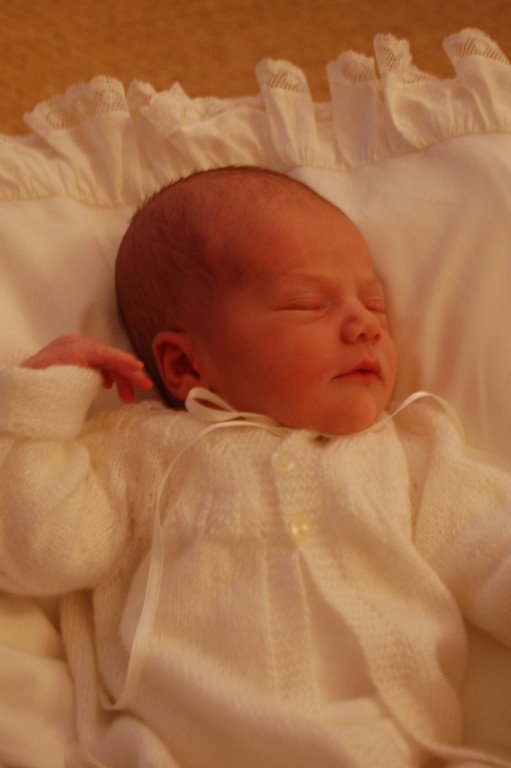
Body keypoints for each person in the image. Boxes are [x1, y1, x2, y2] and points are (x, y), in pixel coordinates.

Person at [0, 166, 510, 768]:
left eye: (374, 304)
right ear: (186, 365)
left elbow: (490, 547)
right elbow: (41, 549)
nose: (367, 325)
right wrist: (40, 399)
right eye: (307, 304)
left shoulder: (408, 451)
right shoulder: (142, 453)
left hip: (396, 750)